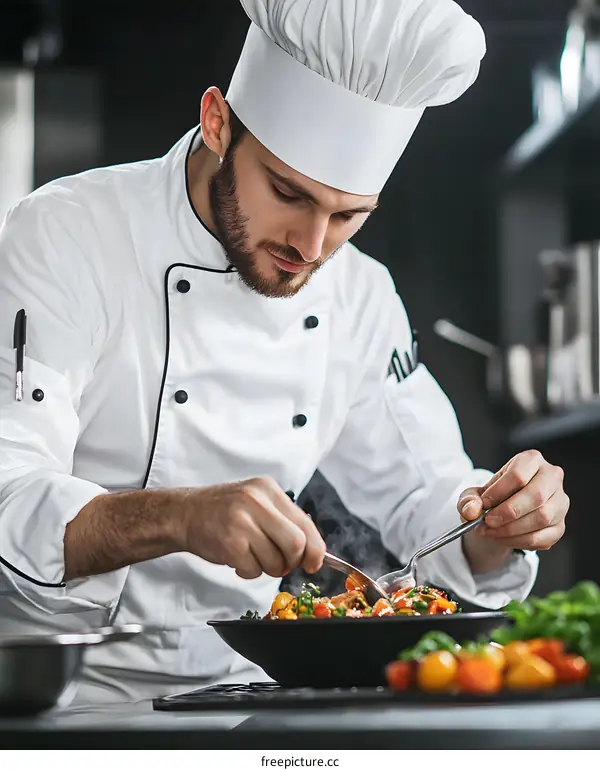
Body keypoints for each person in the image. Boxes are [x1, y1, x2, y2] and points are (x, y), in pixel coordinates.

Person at [0, 0, 569, 704]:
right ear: (217, 123)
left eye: (349, 216)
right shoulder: (68, 235)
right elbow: (8, 493)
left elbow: (426, 499)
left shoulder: (359, 295)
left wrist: (501, 521)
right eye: (287, 193)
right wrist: (181, 516)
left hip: (242, 695)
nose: (310, 245)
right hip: (60, 696)